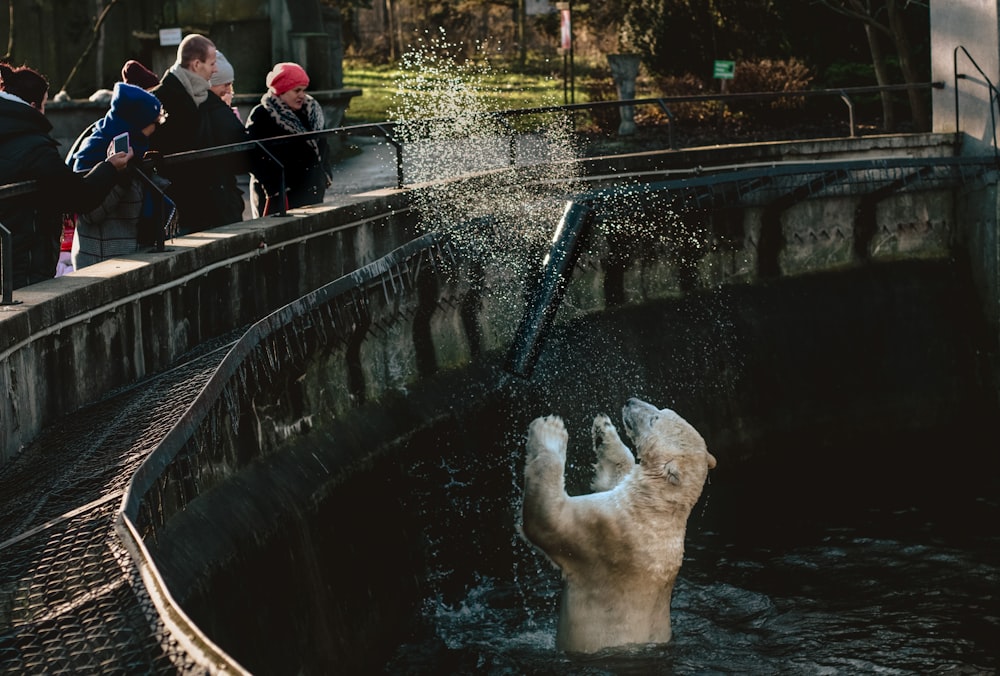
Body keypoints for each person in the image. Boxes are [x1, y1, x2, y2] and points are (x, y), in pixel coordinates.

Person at [0, 62, 132, 289]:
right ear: (34, 106)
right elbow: (78, 196)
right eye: (43, 105)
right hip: (25, 265)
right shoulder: (35, 147)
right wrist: (110, 167)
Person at [70, 82, 172, 269]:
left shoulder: (137, 151)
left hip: (129, 256)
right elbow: (90, 213)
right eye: (154, 123)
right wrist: (118, 175)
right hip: (101, 261)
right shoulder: (95, 150)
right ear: (138, 123)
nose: (156, 129)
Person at [149, 33, 225, 234]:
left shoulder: (204, 98)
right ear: (196, 64)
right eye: (212, 63)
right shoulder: (158, 100)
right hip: (178, 209)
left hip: (203, 205)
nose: (215, 69)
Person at [245, 62, 331, 217]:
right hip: (279, 197)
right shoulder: (262, 114)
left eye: (304, 90)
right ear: (281, 91)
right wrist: (275, 188)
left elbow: (323, 145)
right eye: (297, 90)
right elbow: (252, 156)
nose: (302, 95)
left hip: (311, 191)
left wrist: (325, 173)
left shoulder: (312, 112)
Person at [199, 50, 250, 226]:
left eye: (231, 85)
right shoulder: (215, 112)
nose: (228, 90)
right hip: (217, 195)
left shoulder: (222, 110)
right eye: (224, 84)